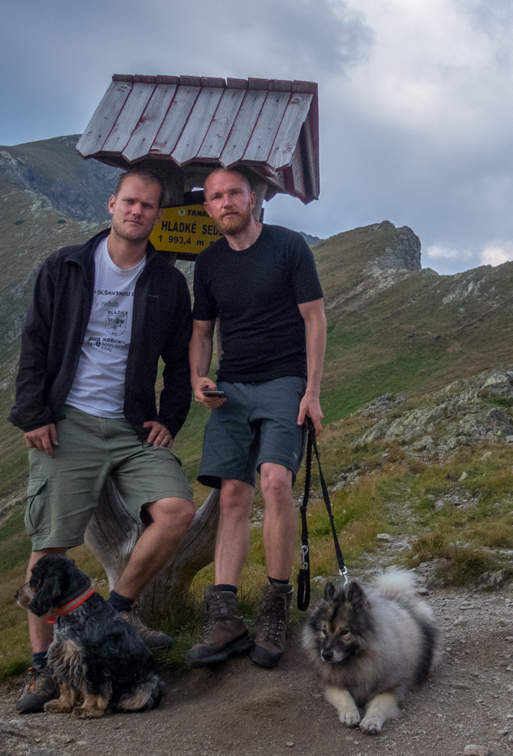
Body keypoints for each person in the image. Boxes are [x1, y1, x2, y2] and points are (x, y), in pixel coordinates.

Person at [7, 169, 195, 713]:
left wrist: (169, 418)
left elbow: (180, 364)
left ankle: (119, 609)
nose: (137, 212)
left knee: (178, 511)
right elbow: (34, 343)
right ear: (112, 204)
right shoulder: (66, 266)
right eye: (129, 202)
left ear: (159, 216)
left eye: (149, 206)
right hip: (69, 421)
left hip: (133, 427)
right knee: (48, 545)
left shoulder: (167, 281)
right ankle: (43, 670)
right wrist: (33, 413)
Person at [185, 167, 326, 670]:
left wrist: (311, 392)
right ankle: (224, 615)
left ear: (253, 198)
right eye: (216, 196)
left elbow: (315, 318)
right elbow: (202, 332)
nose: (225, 202)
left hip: (284, 380)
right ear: (208, 207)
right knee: (231, 495)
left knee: (273, 483)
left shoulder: (289, 247)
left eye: (234, 194)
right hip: (232, 387)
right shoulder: (208, 263)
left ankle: (274, 605)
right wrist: (199, 378)